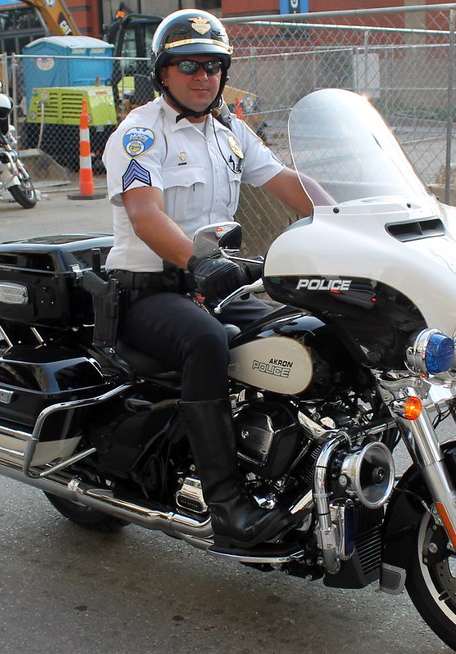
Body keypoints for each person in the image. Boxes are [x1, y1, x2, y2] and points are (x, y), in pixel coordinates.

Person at [102, 10, 315, 549]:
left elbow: (287, 182)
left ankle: (293, 465)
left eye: (213, 66)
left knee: (303, 328)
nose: (202, 76)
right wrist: (197, 262)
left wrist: (355, 220)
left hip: (214, 285)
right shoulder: (138, 135)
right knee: (205, 340)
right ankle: (227, 503)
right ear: (163, 72)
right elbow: (145, 214)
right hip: (148, 291)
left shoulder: (231, 133)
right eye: (187, 65)